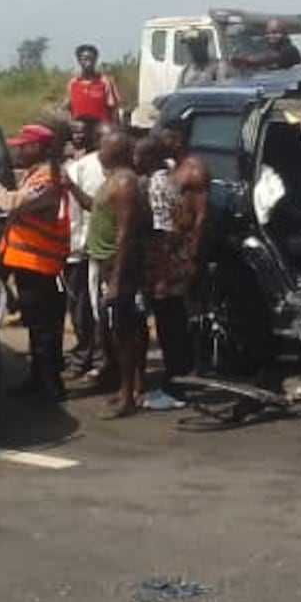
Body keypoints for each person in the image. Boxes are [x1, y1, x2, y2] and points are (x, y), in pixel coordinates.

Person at [0, 123, 68, 402]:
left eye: (24, 145)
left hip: (41, 265)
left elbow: (11, 202)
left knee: (44, 329)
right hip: (28, 262)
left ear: (39, 147)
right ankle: (38, 380)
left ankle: (50, 385)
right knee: (35, 326)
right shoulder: (36, 174)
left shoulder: (47, 178)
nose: (18, 150)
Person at [86, 130, 150, 416]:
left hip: (119, 265)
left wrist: (115, 279)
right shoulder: (111, 180)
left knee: (123, 331)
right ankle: (131, 388)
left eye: (103, 146)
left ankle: (127, 396)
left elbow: (125, 234)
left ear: (115, 151)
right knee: (119, 329)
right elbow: (97, 209)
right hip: (108, 263)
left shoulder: (124, 183)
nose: (98, 151)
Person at [135, 136, 196, 410]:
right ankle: (180, 379)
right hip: (177, 262)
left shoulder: (158, 185)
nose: (134, 159)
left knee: (170, 327)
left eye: (138, 155)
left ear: (148, 158)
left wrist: (160, 275)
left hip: (167, 266)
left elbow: (165, 233)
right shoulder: (170, 178)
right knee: (175, 324)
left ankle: (176, 388)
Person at [63, 118, 105, 379]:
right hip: (88, 247)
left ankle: (89, 356)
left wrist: (73, 247)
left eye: (83, 132)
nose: (78, 136)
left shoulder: (79, 168)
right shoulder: (80, 166)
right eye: (74, 132)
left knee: (87, 306)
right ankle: (91, 355)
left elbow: (77, 212)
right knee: (87, 306)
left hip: (85, 247)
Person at [68, 44, 121, 125]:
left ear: (96, 60)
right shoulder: (73, 83)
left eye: (91, 59)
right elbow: (68, 107)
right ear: (79, 61)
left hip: (100, 130)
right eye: (85, 59)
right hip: (78, 128)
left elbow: (113, 107)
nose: (89, 63)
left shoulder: (105, 82)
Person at [233, 18, 301, 72]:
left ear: (285, 34)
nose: (270, 36)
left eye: (275, 33)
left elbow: (270, 58)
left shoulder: (290, 50)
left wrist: (244, 60)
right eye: (268, 33)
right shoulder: (265, 47)